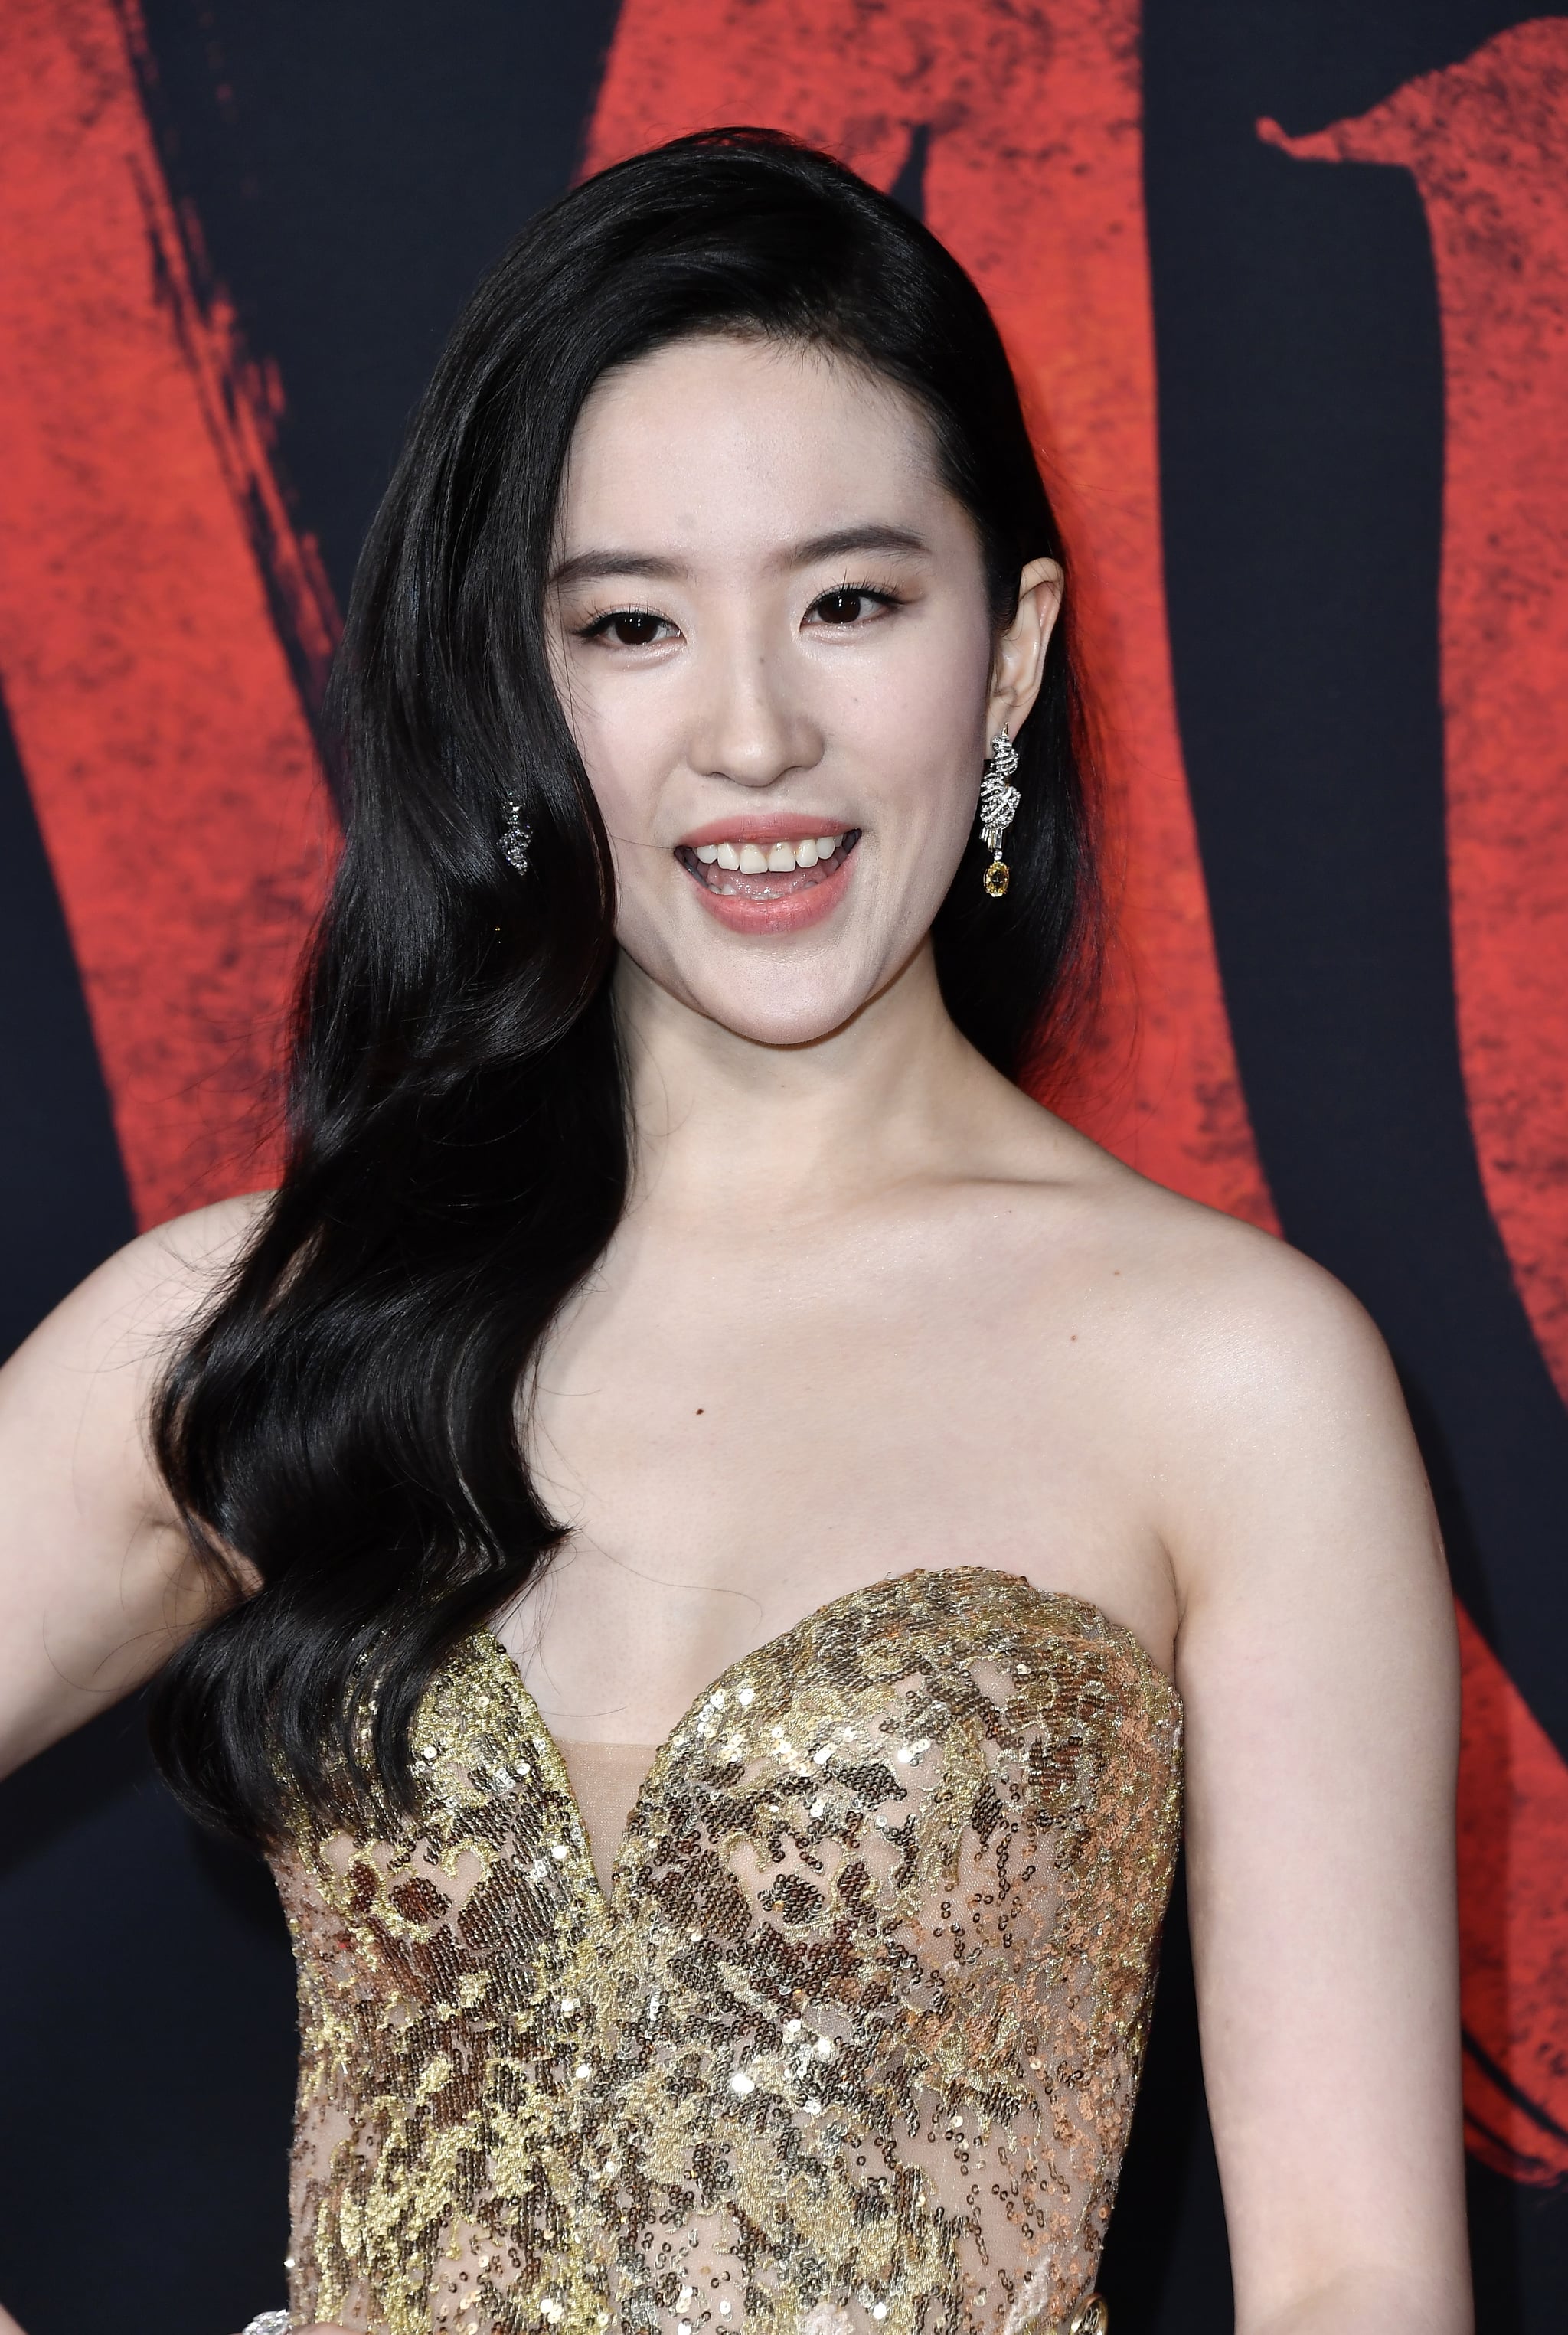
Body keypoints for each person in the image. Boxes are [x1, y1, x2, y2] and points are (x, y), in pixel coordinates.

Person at [0, 129, 1468, 2335]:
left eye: (851, 603)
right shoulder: (277, 1321)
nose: (756, 733)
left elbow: (1358, 2275)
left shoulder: (1236, 1378)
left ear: (1009, 653)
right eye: (633, 626)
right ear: (522, 686)